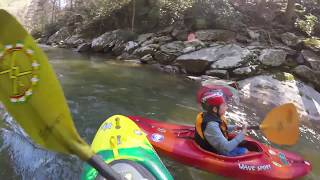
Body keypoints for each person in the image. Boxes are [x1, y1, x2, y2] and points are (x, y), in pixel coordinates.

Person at [194, 89, 248, 156]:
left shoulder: (209, 115)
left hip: (213, 142)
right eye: (224, 105)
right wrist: (242, 134)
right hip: (214, 150)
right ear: (215, 109)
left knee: (243, 144)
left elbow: (221, 128)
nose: (227, 107)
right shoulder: (211, 125)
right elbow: (226, 148)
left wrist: (235, 127)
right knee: (245, 151)